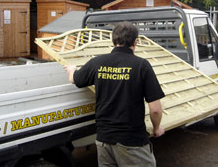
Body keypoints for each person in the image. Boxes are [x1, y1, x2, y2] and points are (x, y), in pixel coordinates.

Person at [64, 22, 165, 167]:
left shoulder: (97, 62)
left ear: (113, 41)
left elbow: (75, 79)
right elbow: (155, 109)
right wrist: (156, 128)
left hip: (104, 141)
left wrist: (72, 69)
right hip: (132, 142)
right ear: (135, 42)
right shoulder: (142, 66)